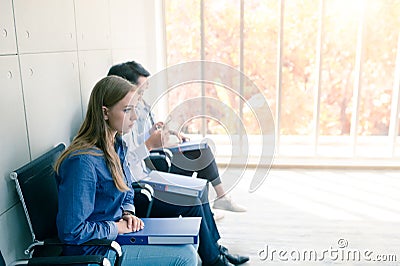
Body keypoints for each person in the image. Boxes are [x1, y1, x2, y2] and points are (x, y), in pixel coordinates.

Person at [107, 66, 249, 265]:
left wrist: (152, 136)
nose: (135, 112)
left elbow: (131, 157)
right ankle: (214, 259)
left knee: (200, 188)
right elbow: (124, 169)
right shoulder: (109, 137)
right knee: (194, 200)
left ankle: (216, 250)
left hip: (144, 178)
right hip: (143, 188)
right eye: (138, 93)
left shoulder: (124, 124)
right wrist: (149, 144)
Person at [54, 76, 197, 265]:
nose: (135, 117)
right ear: (105, 113)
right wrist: (116, 227)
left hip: (114, 238)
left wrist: (127, 213)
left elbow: (127, 190)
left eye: (134, 109)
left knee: (188, 245)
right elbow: (72, 231)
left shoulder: (117, 145)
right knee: (185, 256)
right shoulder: (82, 162)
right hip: (94, 250)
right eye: (127, 110)